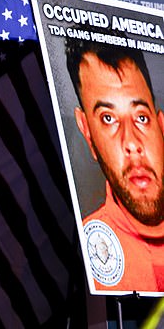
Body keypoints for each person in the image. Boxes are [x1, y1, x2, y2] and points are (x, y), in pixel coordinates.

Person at [66, 36, 164, 293]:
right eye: (108, 118)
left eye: (141, 117)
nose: (131, 143)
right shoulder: (86, 253)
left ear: (161, 125)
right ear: (88, 134)